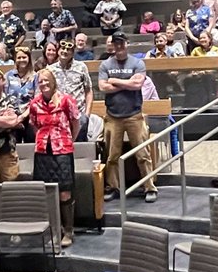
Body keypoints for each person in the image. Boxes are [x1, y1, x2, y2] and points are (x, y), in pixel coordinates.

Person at [100, 33, 158, 203]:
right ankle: (113, 187)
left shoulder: (137, 63)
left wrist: (114, 81)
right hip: (112, 116)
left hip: (134, 115)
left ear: (127, 43)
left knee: (142, 154)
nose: (118, 46)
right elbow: (103, 87)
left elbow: (137, 85)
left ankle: (149, 187)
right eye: (115, 43)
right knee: (112, 156)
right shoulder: (105, 64)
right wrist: (126, 83)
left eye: (121, 43)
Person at [29, 68, 80, 247]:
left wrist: (67, 140)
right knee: (47, 192)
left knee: (65, 192)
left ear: (53, 81)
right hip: (43, 151)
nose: (43, 84)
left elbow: (75, 123)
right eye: (40, 81)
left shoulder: (66, 100)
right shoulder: (34, 104)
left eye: (46, 80)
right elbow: (35, 126)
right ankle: (53, 230)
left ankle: (68, 231)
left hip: (63, 150)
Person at [51, 40, 95, 142]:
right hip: (59, 115)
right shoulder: (51, 69)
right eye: (63, 49)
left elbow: (88, 91)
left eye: (68, 50)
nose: (65, 51)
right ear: (58, 50)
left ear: (73, 52)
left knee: (79, 148)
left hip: (79, 115)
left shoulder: (81, 67)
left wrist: (87, 114)